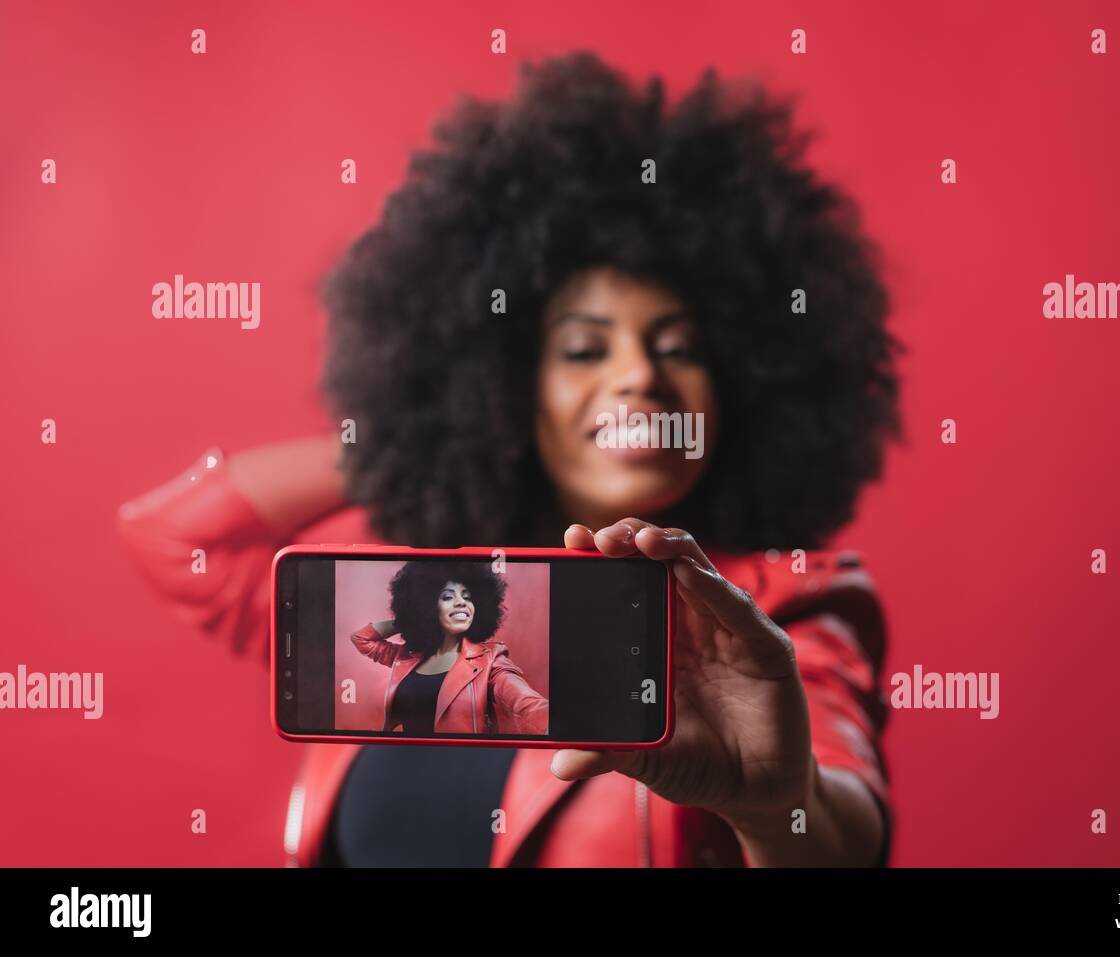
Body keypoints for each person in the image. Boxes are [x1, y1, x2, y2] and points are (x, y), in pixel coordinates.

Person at [116, 50, 902, 867]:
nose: (638, 374)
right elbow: (177, 540)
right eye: (582, 350)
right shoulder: (411, 581)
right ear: (505, 386)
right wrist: (414, 436)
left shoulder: (776, 606)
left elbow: (844, 834)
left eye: (678, 348)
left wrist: (779, 806)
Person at [350, 561, 549, 736]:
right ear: (427, 606)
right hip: (404, 759)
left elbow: (527, 703)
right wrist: (408, 620)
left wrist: (557, 724)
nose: (461, 602)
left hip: (462, 764)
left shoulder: (491, 661)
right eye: (447, 597)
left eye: (468, 597)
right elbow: (362, 639)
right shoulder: (405, 657)